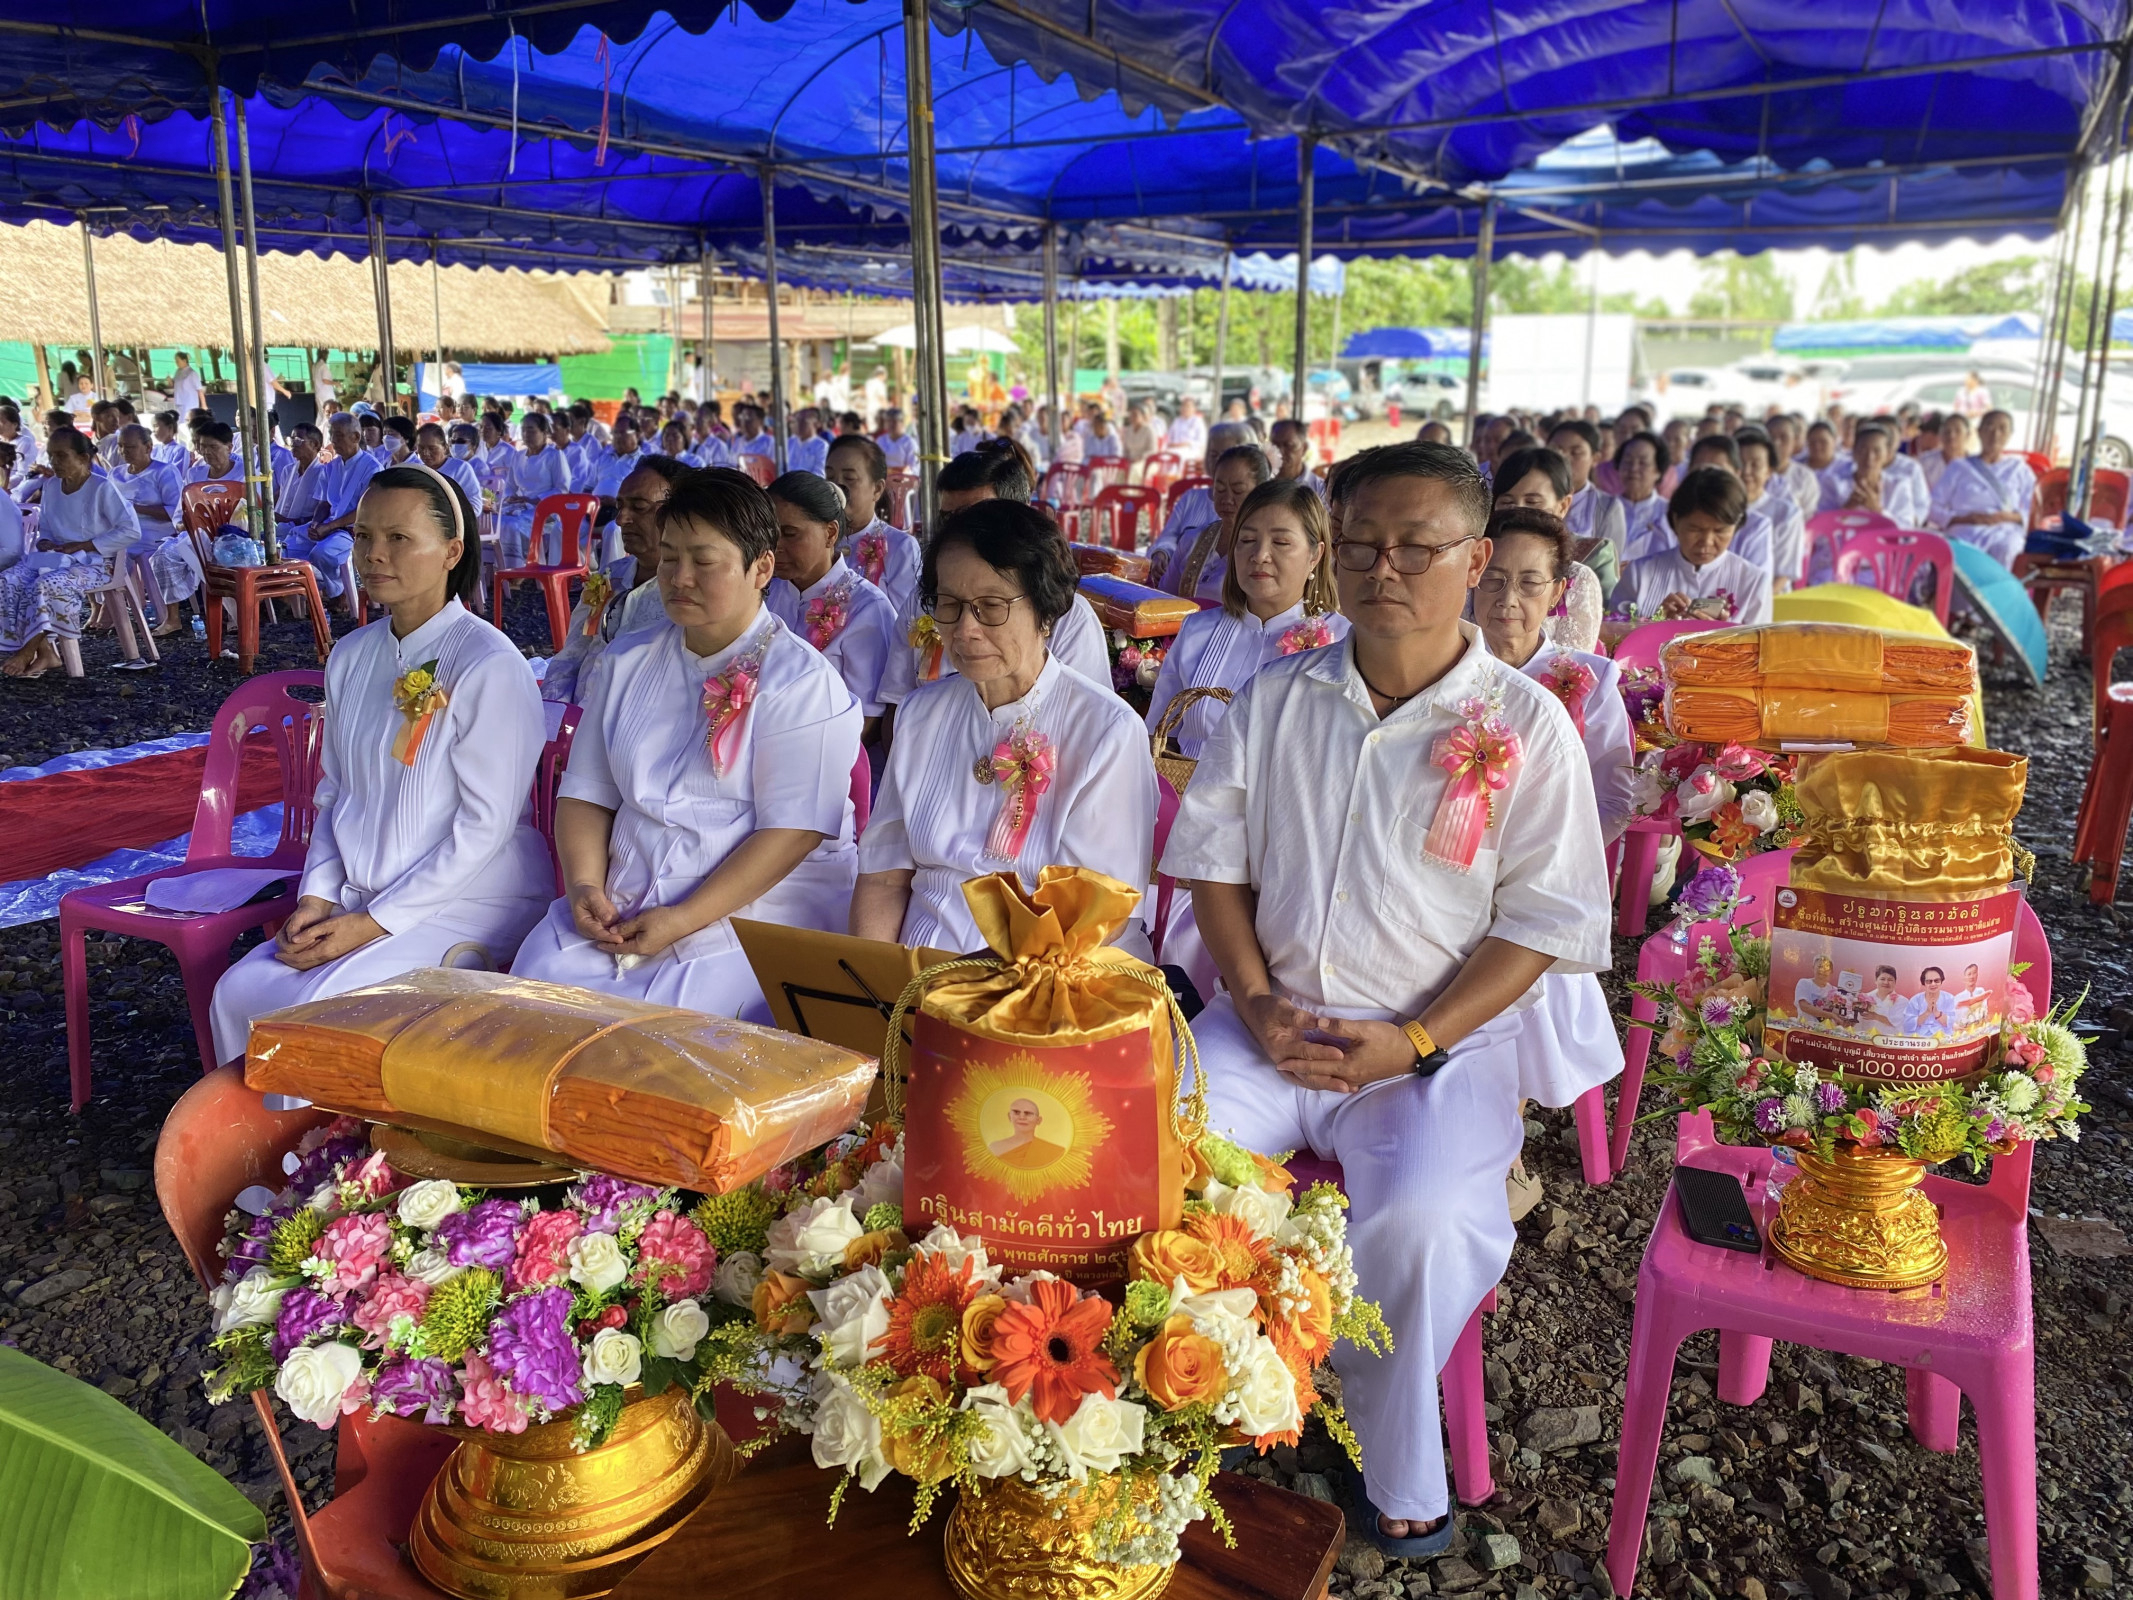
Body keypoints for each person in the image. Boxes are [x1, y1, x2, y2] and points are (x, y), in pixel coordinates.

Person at [1159, 441, 1611, 1557]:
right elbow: (1212, 864)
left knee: (1417, 1220)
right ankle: (1188, 1387)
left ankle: (1391, 1453)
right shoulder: (1277, 694)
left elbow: (1542, 925)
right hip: (1273, 1026)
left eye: (1418, 545)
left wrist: (1409, 1041)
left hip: (1438, 1047)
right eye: (1359, 543)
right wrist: (1256, 1002)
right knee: (1146, 1146)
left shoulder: (1527, 722)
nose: (1384, 567)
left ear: (1479, 558)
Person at [208, 465, 551, 1064]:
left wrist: (373, 924)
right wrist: (316, 897)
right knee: (240, 990)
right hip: (361, 892)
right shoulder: (351, 654)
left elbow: (484, 830)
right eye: (364, 537)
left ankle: (342, 1156)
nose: (374, 556)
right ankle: (271, 1154)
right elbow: (333, 792)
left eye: (398, 539)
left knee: (324, 1008)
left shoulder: (488, 663)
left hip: (472, 896)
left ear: (451, 551)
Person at [512, 470, 863, 1016]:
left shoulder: (801, 683)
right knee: (531, 999)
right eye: (671, 556)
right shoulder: (627, 660)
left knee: (670, 1043)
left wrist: (682, 918)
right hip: (623, 900)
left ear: (761, 568)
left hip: (752, 913)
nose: (680, 577)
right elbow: (586, 793)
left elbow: (792, 833)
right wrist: (583, 887)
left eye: (704, 561)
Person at [853, 498, 1157, 955]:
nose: (965, 629)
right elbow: (882, 879)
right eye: (949, 605)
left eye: (991, 606)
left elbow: (1093, 920)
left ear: (1046, 611)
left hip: (1050, 982)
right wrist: (875, 992)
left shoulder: (1106, 731)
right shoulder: (919, 715)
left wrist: (958, 994)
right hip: (913, 979)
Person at [876, 445, 1112, 712]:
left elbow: (1080, 711)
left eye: (992, 605)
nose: (959, 531)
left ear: (1019, 516)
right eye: (947, 518)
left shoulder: (1066, 614)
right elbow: (896, 702)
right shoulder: (926, 600)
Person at [1473, 507, 1635, 845]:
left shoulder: (1592, 680)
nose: (1508, 599)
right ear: (1472, 578)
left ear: (1557, 593)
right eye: (1493, 578)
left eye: (1529, 583)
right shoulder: (1443, 666)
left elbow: (1614, 802)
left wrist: (1554, 865)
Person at [542, 457, 687, 704]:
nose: (621, 519)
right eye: (620, 507)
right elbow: (571, 656)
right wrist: (552, 716)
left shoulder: (687, 592)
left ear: (678, 514)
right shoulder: (610, 577)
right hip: (578, 723)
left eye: (639, 507)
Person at [764, 471, 895, 741]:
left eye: (790, 534)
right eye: (769, 534)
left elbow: (868, 720)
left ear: (830, 533)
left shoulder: (867, 608)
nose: (775, 547)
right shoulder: (767, 590)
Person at [0, 429, 141, 677]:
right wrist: (45, 542)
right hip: (56, 559)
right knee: (9, 580)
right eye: (52, 456)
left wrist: (85, 545)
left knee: (47, 585)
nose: (54, 462)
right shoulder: (52, 485)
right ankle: (47, 653)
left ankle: (27, 650)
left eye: (62, 456)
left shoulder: (101, 487)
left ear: (84, 458)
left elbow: (131, 531)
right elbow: (47, 529)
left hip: (99, 563)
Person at [1613, 467, 1773, 625]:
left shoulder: (1753, 582)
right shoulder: (1639, 574)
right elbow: (1611, 635)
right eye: (1695, 529)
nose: (1707, 541)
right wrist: (1655, 623)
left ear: (1736, 527)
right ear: (1675, 520)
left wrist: (1722, 639)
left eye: (1720, 531)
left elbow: (1761, 648)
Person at [1492, 443, 1616, 597]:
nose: (1518, 511)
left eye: (1532, 502)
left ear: (1563, 505)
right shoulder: (1482, 551)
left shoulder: (1592, 555)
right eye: (1507, 502)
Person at [286, 411, 380, 604]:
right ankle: (315, 592)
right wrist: (316, 523)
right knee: (289, 548)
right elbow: (324, 502)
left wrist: (329, 527)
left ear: (355, 437)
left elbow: (366, 509)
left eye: (338, 435)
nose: (333, 441)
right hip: (329, 526)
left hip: (355, 531)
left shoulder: (372, 467)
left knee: (322, 553)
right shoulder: (331, 466)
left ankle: (340, 593)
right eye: (331, 435)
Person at [113, 425, 199, 632]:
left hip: (156, 533)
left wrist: (136, 508)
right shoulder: (115, 473)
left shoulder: (164, 472)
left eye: (131, 447)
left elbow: (175, 511)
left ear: (148, 447)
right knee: (99, 553)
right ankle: (112, 611)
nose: (124, 451)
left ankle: (149, 613)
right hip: (123, 531)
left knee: (117, 555)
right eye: (121, 446)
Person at [1162, 444, 1273, 602]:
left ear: (1261, 492)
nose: (1227, 499)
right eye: (1220, 489)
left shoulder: (1266, 553)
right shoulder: (1192, 539)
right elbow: (1163, 598)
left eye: (1238, 491)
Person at [828, 434, 921, 618]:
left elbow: (906, 624)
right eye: (830, 477)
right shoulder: (817, 541)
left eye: (849, 478)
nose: (837, 487)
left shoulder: (899, 547)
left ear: (877, 489)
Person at [1927, 410, 2033, 567]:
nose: (1995, 434)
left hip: (2004, 531)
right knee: (1956, 552)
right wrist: (1965, 518)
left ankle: (2000, 591)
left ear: (2010, 434)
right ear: (1979, 432)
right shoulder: (1959, 467)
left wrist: (2006, 517)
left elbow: (2033, 511)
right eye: (1990, 427)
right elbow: (1933, 506)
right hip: (1964, 529)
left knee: (2007, 548)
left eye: (2002, 429)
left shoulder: (2019, 469)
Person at [1546, 418, 1626, 569]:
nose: (1564, 458)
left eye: (1575, 452)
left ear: (1595, 458)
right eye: (1556, 450)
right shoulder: (1531, 496)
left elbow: (1609, 568)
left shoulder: (1608, 507)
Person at [498, 411, 573, 567]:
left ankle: (519, 569)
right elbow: (510, 486)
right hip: (520, 506)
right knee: (500, 521)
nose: (526, 434)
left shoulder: (555, 455)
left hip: (547, 510)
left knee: (514, 525)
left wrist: (534, 500)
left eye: (531, 430)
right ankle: (503, 567)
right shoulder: (518, 456)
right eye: (524, 429)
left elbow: (562, 488)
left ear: (544, 432)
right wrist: (510, 498)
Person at [1734, 427, 1805, 591]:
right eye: (1740, 464)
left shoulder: (1787, 513)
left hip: (1770, 600)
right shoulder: (1716, 509)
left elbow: (1782, 575)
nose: (1746, 472)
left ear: (1769, 472)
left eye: (1755, 465)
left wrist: (1752, 607)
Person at [1827, 421, 1928, 528]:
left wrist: (1877, 510)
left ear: (1887, 454)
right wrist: (1847, 508)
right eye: (1863, 449)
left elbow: (1906, 528)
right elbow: (1821, 528)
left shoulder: (1898, 486)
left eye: (1877, 451)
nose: (1869, 457)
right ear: (1854, 452)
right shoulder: (1833, 483)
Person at [1613, 429, 1672, 564]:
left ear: (1658, 471)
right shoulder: (1604, 507)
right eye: (1627, 461)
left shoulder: (1670, 513)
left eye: (1643, 463)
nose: (1633, 468)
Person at [1767, 414, 1821, 517]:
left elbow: (1808, 515)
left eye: (1784, 437)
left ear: (1795, 441)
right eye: (1771, 437)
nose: (1776, 443)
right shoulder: (1752, 474)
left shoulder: (1805, 476)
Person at [1899, 966, 1960, 1038]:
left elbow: (1954, 1022)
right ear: (1924, 983)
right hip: (1919, 1037)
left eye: (1936, 981)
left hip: (1943, 1036)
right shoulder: (1915, 1000)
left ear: (1941, 981)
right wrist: (1927, 1012)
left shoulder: (1949, 998)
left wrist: (1937, 1013)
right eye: (1929, 981)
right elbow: (1907, 1025)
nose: (1933, 984)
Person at [1269, 418, 1325, 496]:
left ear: (1304, 448)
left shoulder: (1320, 490)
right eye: (1274, 445)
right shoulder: (1259, 483)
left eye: (1289, 445)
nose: (1280, 452)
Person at [787, 407, 830, 475]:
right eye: (797, 420)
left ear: (817, 424)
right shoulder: (789, 442)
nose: (799, 424)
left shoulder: (822, 446)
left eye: (803, 421)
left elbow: (819, 473)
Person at [875, 409, 919, 475]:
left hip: (904, 480)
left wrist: (902, 472)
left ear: (902, 423)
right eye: (888, 421)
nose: (891, 424)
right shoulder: (880, 440)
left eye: (894, 421)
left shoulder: (909, 443)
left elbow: (914, 467)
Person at [1120, 401, 1159, 467]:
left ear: (1142, 416)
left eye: (1135, 415)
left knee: (1133, 471)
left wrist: (1140, 458)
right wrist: (1126, 458)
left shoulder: (1149, 430)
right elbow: (1125, 449)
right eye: (1131, 415)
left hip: (1146, 462)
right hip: (1130, 461)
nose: (1132, 417)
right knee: (1120, 471)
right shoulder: (1128, 430)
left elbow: (1153, 451)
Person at [170, 353, 205, 418]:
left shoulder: (192, 373)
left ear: (184, 360)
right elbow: (174, 385)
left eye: (178, 361)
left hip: (190, 402)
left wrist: (204, 405)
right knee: (179, 421)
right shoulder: (178, 371)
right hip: (179, 401)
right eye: (175, 361)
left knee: (188, 421)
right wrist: (169, 381)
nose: (176, 363)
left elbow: (199, 390)